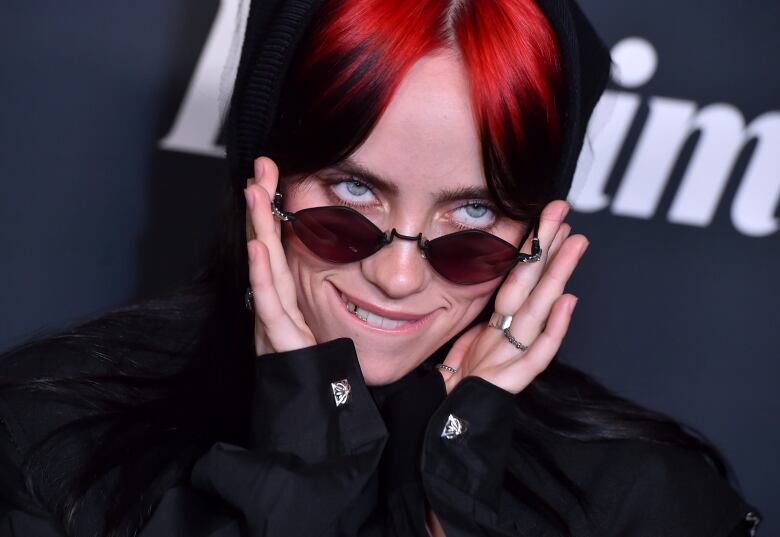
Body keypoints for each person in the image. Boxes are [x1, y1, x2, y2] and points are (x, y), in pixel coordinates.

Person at [0, 0, 761, 536]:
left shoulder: (646, 498)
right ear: (265, 176)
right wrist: (303, 459)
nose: (398, 277)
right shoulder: (55, 439)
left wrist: (454, 491)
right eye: (354, 194)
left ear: (538, 228)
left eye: (472, 219)